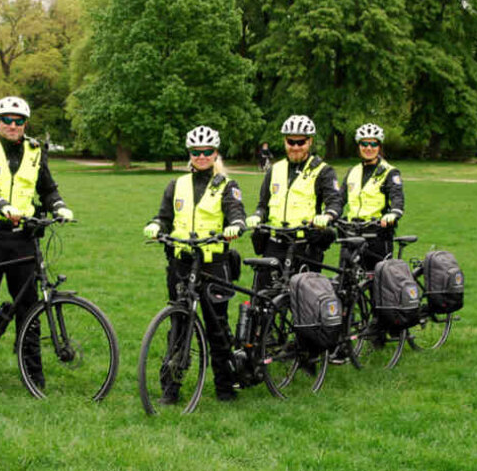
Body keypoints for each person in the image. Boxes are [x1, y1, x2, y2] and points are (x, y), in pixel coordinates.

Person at [0, 96, 74, 385]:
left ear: (26, 123)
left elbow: (47, 188)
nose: (14, 126)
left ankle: (33, 375)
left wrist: (59, 205)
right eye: (8, 120)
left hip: (23, 240)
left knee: (29, 307)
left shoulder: (36, 151)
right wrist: (1, 204)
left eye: (20, 121)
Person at [143, 125, 247, 402]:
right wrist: (155, 225)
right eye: (196, 152)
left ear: (215, 154)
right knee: (178, 323)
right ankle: (170, 388)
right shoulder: (176, 185)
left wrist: (236, 225)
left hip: (213, 264)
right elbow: (164, 216)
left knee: (217, 327)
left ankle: (225, 387)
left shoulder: (227, 185)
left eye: (207, 152)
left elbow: (237, 213)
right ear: (189, 154)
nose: (201, 156)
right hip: (181, 262)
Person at [245, 115, 342, 272]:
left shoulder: (323, 171)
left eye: (301, 142)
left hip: (304, 245)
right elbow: (263, 204)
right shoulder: (275, 169)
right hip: (274, 244)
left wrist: (327, 215)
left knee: (303, 294)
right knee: (263, 293)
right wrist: (257, 215)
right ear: (285, 141)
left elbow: (335, 202)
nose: (295, 147)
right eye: (291, 142)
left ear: (310, 141)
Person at [340, 123, 404, 269]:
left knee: (379, 285)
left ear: (379, 146)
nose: (368, 148)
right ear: (359, 146)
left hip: (377, 236)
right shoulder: (352, 171)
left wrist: (393, 213)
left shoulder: (390, 172)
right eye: (364, 143)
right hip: (351, 234)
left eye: (373, 143)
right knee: (346, 283)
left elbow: (397, 196)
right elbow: (339, 199)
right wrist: (329, 214)